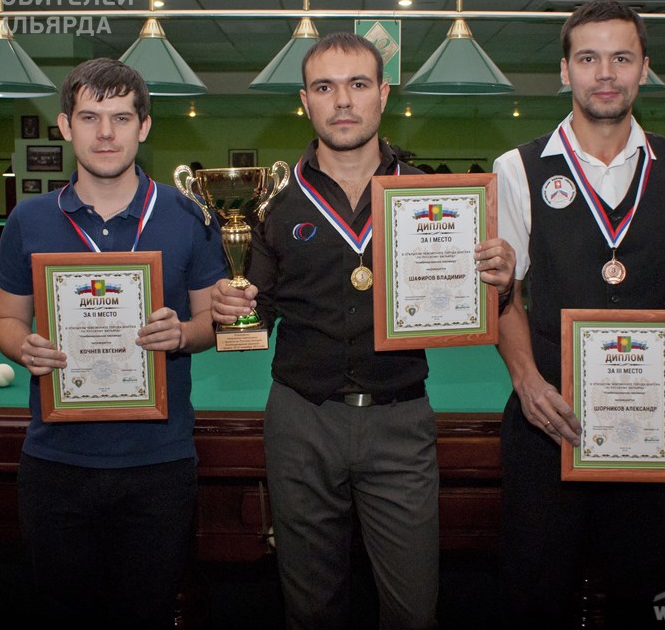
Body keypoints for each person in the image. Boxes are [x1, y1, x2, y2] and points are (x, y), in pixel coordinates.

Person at [210, 32, 515, 629]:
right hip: (301, 421)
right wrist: (232, 307)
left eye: (357, 84)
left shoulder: (435, 197)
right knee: (310, 610)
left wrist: (499, 282)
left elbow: (471, 304)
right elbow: (253, 319)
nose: (343, 100)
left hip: (401, 422)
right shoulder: (271, 202)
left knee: (413, 611)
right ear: (305, 101)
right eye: (325, 87)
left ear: (383, 94)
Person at [493, 0, 665, 627]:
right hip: (546, 422)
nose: (604, 73)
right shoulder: (517, 168)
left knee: (645, 595)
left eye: (621, 58)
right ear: (565, 70)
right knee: (534, 599)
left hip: (650, 428)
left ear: (643, 69)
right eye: (588, 58)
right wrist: (526, 381)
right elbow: (502, 295)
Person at [0, 58, 227, 626]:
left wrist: (182, 334)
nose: (105, 133)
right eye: (89, 117)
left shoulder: (188, 214)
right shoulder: (28, 218)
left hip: (160, 460)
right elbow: (5, 319)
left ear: (143, 126)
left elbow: (212, 322)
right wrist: (23, 348)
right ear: (65, 126)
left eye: (121, 118)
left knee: (148, 613)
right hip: (55, 461)